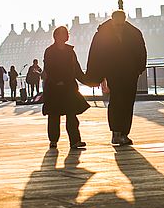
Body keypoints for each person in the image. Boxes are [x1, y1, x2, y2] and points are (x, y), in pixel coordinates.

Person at [86, 9, 147, 146]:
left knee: (128, 102)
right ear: (112, 21)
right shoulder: (103, 34)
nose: (119, 27)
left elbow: (141, 51)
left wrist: (139, 69)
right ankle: (116, 132)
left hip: (130, 73)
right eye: (117, 25)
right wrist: (98, 76)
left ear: (125, 20)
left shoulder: (134, 33)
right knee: (117, 101)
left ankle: (123, 133)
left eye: (121, 24)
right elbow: (96, 55)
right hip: (113, 73)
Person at [42, 26, 89, 149]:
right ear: (57, 36)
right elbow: (49, 68)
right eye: (65, 34)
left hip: (68, 87)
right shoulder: (49, 51)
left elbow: (76, 69)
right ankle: (53, 140)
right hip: (54, 88)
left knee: (71, 115)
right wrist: (57, 81)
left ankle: (75, 141)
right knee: (54, 115)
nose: (68, 36)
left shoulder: (70, 51)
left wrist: (88, 81)